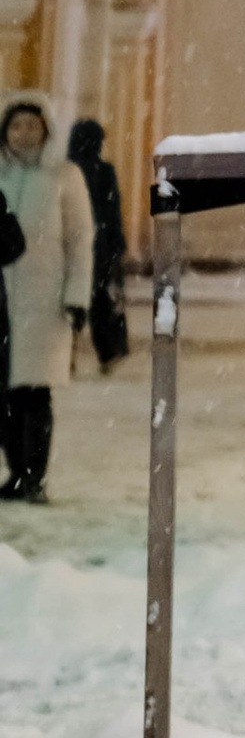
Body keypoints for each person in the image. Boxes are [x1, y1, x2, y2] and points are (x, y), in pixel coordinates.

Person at [0, 96, 90, 502]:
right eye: (16, 126)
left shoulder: (64, 176)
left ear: (46, 130)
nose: (23, 134)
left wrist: (76, 294)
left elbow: (79, 239)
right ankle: (15, 472)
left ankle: (35, 476)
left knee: (35, 393)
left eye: (31, 126)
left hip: (44, 300)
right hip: (0, 302)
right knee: (4, 395)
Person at [66, 116, 127, 368]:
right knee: (101, 301)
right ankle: (107, 353)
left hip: (73, 243)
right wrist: (116, 242)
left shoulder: (67, 170)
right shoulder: (103, 171)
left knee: (74, 299)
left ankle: (69, 352)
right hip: (100, 245)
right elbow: (113, 210)